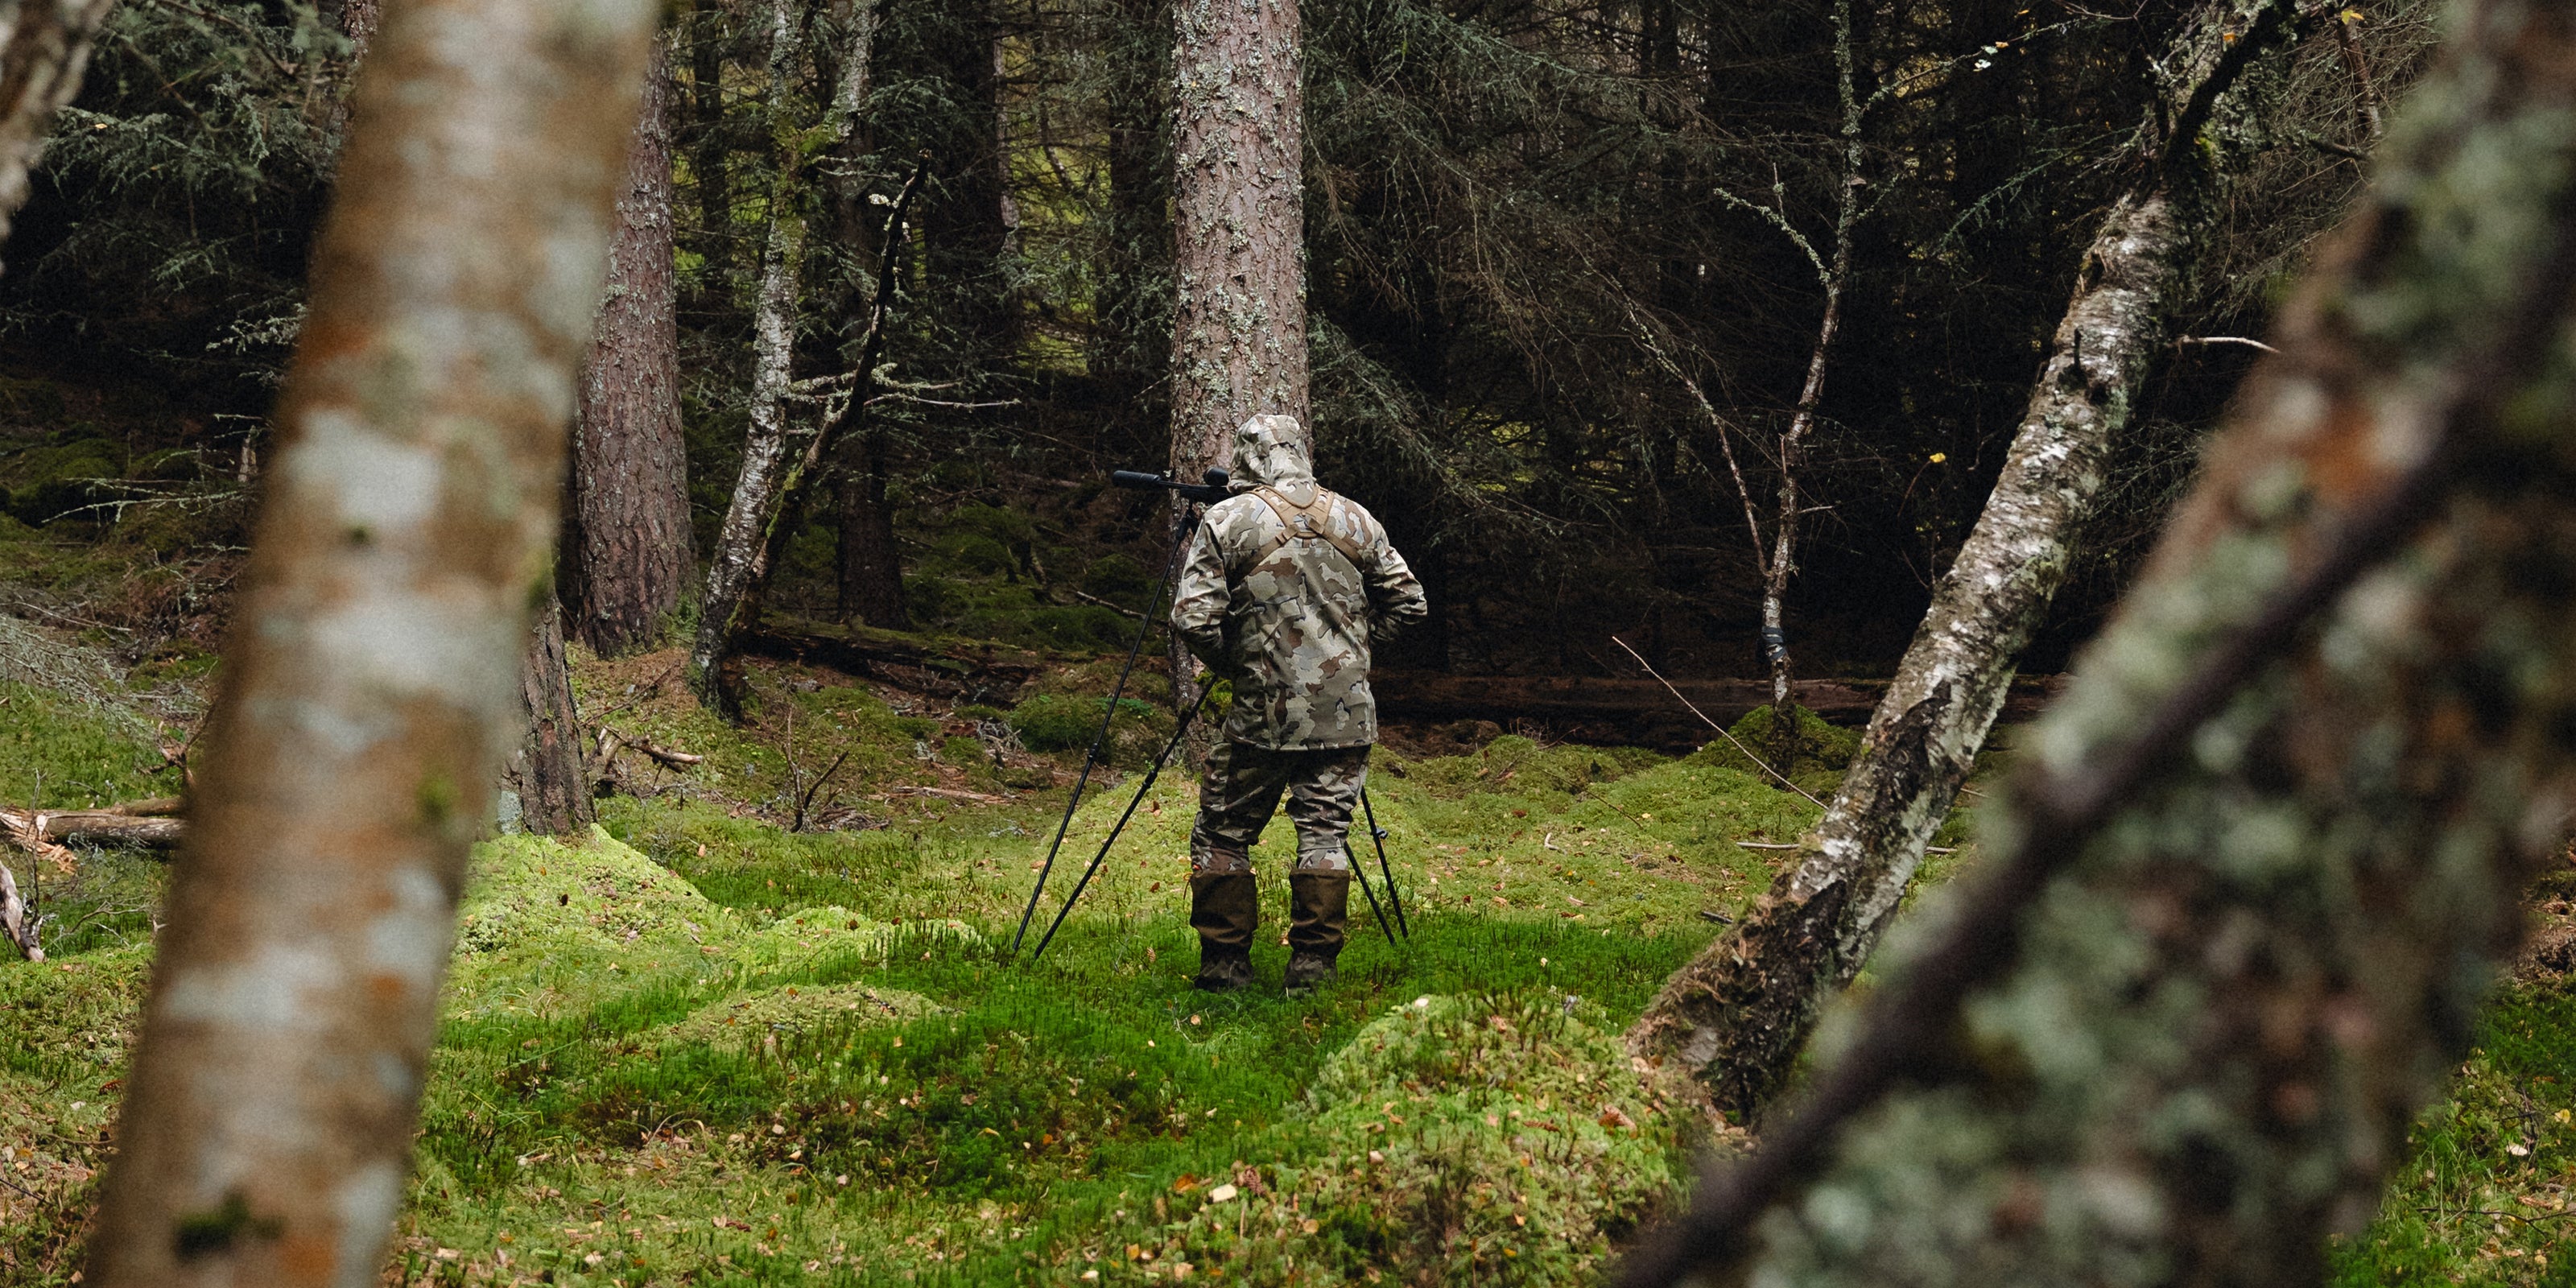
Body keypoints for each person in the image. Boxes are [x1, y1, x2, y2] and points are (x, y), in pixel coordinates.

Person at [1170, 414, 1430, 993]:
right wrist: (1353, 654)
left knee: (1222, 833)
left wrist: (1238, 664)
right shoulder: (1355, 518)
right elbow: (1410, 604)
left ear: (1248, 458)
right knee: (1325, 836)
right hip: (1347, 713)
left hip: (1262, 714)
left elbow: (1193, 619)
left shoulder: (1228, 520)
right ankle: (1312, 972)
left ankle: (1225, 969)